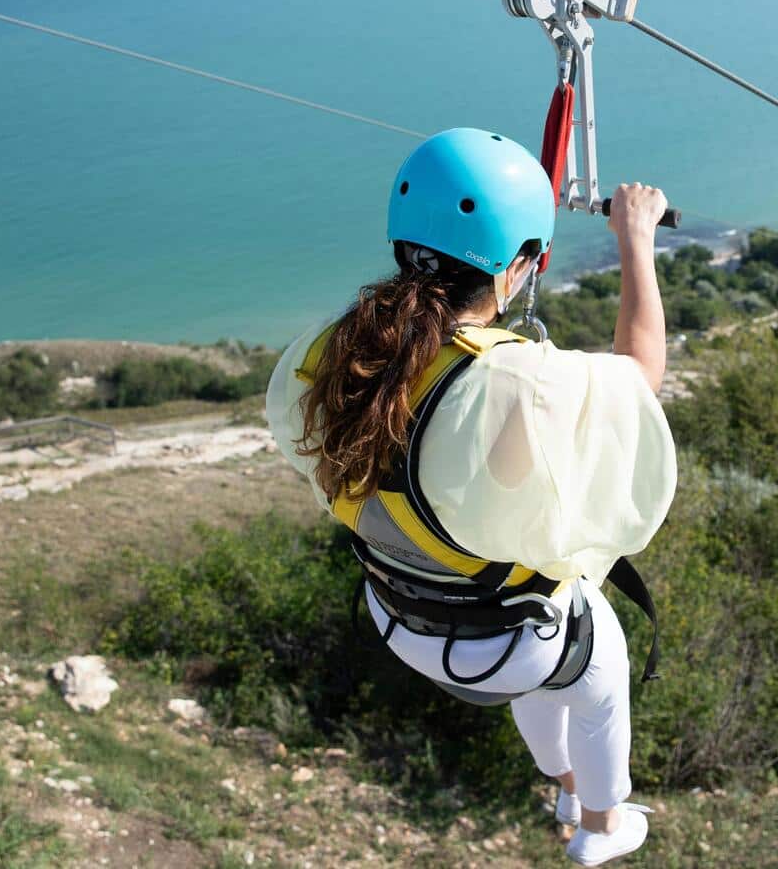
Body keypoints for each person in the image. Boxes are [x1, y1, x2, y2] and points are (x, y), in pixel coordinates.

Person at [265, 127, 677, 865]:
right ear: (520, 268)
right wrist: (635, 239)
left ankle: (560, 783)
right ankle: (601, 829)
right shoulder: (512, 381)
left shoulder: (335, 350)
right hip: (499, 640)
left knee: (546, 669)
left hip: (402, 616)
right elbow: (640, 377)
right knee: (597, 668)